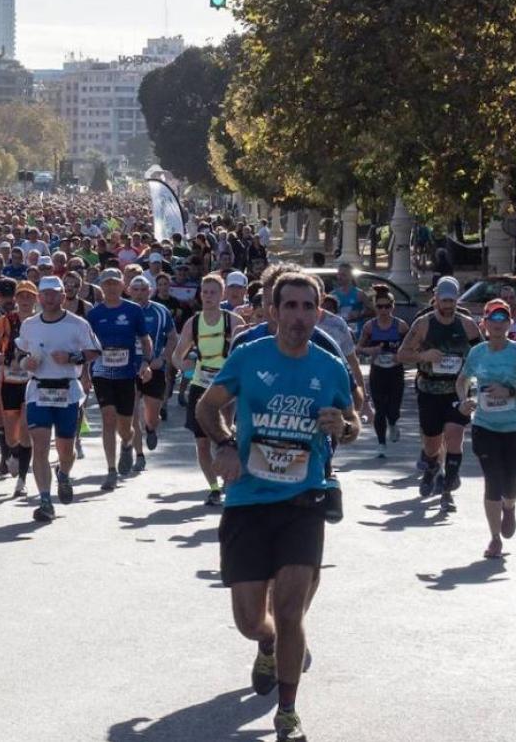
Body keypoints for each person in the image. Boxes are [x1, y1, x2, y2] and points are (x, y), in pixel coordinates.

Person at [195, 271, 360, 742]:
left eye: (308, 307)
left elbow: (350, 423)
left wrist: (342, 426)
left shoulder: (329, 367)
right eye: (290, 306)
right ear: (272, 311)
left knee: (291, 611)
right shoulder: (249, 358)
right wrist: (225, 444)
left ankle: (287, 711)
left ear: (319, 311)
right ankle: (265, 643)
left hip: (302, 501)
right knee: (252, 621)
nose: (299, 316)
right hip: (248, 500)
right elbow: (207, 408)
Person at [456, 299, 516, 559]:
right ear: (484, 324)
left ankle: (510, 506)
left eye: (502, 319)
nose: (497, 324)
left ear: (509, 323)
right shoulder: (477, 353)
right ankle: (495, 538)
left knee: (511, 485)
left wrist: (511, 392)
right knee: (492, 481)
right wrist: (464, 400)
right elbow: (462, 380)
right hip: (485, 426)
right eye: (492, 319)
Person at [397, 276, 482, 513]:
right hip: (429, 390)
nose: (448, 306)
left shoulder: (468, 325)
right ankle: (432, 466)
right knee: (432, 444)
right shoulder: (423, 324)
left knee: (455, 436)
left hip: (457, 390)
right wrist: (423, 356)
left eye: (452, 301)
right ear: (435, 300)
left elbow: (483, 355)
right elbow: (402, 355)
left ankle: (446, 491)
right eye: (444, 301)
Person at [19, 276, 102, 519]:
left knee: (66, 449)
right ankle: (45, 501)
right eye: (45, 294)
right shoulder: (29, 325)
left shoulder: (77, 323)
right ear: (39, 297)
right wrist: (27, 362)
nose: (49, 298)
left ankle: (63, 474)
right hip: (38, 390)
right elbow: (20, 355)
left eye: (55, 294)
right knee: (40, 447)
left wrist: (72, 358)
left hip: (67, 391)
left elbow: (95, 351)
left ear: (63, 296)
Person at [172, 273, 244, 506]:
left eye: (213, 292)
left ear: (221, 295)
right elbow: (177, 356)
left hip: (225, 388)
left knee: (223, 436)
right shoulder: (193, 323)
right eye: (205, 292)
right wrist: (187, 368)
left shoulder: (233, 322)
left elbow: (246, 355)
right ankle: (213, 487)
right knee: (201, 442)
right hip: (200, 385)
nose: (208, 296)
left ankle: (228, 479)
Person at [87, 268, 153, 490]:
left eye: (115, 283)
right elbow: (87, 345)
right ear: (102, 287)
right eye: (107, 284)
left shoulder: (133, 310)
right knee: (108, 417)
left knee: (125, 425)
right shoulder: (95, 314)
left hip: (127, 372)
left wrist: (146, 362)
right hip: (102, 371)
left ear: (122, 285)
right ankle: (111, 470)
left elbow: (145, 339)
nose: (111, 287)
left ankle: (127, 443)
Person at [0, 280, 38, 496]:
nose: (26, 300)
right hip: (9, 382)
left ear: (35, 299)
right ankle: (13, 454)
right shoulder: (5, 321)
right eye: (22, 296)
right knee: (12, 437)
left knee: (27, 432)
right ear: (16, 299)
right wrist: (5, 359)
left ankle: (22, 480)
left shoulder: (41, 322)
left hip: (32, 383)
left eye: (30, 296)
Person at [127, 274, 177, 472]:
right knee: (132, 413)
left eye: (143, 290)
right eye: (135, 290)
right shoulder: (123, 310)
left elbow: (173, 338)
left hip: (155, 368)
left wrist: (162, 359)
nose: (139, 294)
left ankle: (151, 428)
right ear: (129, 291)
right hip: (129, 369)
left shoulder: (161, 311)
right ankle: (139, 455)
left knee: (151, 415)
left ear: (150, 291)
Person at [358, 285, 410, 457]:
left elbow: (411, 346)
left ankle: (393, 423)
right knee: (380, 409)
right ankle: (381, 443)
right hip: (378, 371)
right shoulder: (370, 327)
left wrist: (400, 355)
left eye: (387, 306)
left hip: (395, 371)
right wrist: (370, 351)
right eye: (380, 307)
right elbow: (359, 347)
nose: (383, 310)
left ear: (392, 307)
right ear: (375, 307)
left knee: (393, 409)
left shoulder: (400, 326)